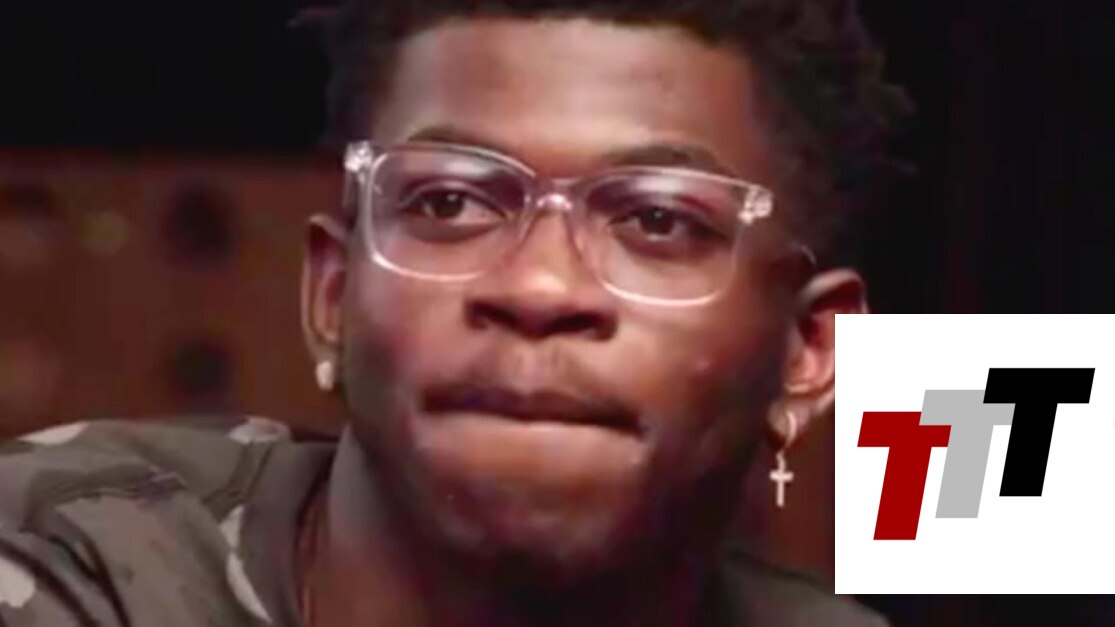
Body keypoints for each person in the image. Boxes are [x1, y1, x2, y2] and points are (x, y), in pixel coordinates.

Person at [0, 0, 908, 624]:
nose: (538, 288)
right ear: (332, 294)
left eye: (656, 220)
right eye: (448, 203)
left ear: (807, 350)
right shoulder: (64, 569)